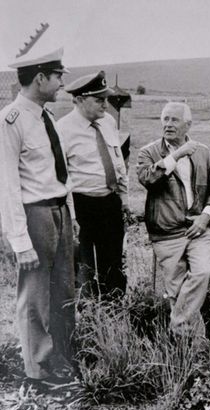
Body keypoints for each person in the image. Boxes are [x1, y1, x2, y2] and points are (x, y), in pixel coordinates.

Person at [0, 47, 77, 389]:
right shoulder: (11, 120)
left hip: (58, 210)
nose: (63, 82)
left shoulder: (46, 119)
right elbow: (7, 186)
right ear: (41, 77)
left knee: (63, 288)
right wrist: (20, 241)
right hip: (34, 215)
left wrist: (69, 212)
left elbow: (59, 173)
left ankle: (61, 356)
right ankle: (40, 370)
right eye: (59, 75)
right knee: (35, 295)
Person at [137, 102, 210, 341]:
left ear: (188, 125)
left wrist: (206, 216)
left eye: (174, 120)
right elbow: (147, 179)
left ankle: (177, 325)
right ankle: (196, 352)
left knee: (202, 273)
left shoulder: (203, 152)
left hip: (198, 228)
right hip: (166, 233)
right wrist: (176, 156)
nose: (168, 124)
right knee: (177, 292)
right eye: (165, 119)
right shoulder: (148, 153)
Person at [57, 71, 129, 299]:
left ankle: (114, 313)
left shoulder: (107, 122)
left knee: (113, 264)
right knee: (84, 267)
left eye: (106, 99)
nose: (106, 105)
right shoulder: (62, 129)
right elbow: (60, 176)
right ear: (78, 100)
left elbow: (118, 162)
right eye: (99, 100)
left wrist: (124, 199)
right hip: (81, 205)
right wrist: (70, 216)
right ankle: (88, 317)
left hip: (109, 203)